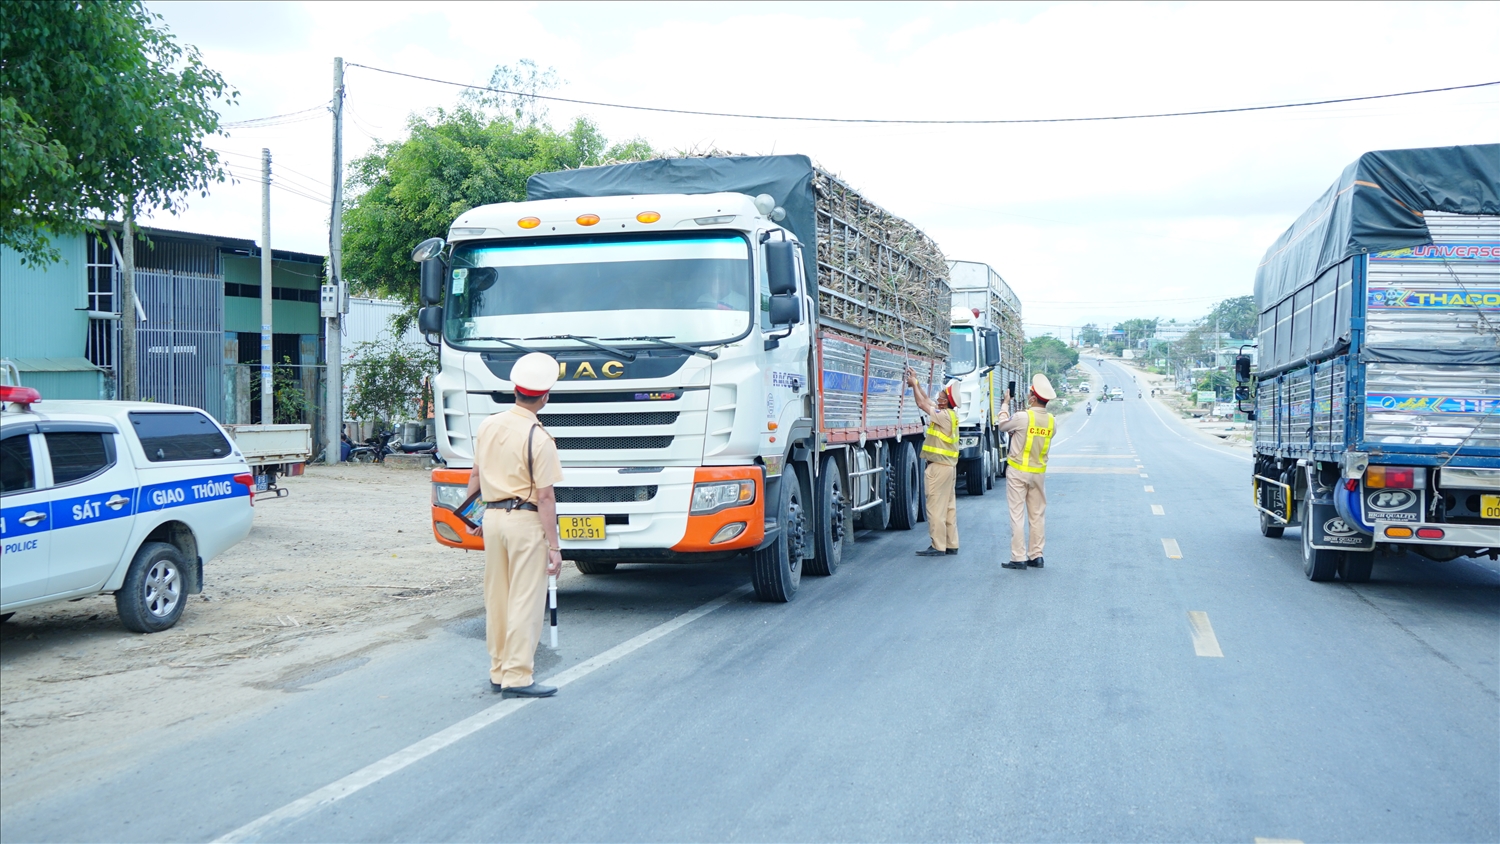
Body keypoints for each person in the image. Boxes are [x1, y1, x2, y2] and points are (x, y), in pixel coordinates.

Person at [463, 352, 566, 698]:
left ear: (515, 391)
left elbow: (476, 476)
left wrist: (474, 517)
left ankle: (498, 670)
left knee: (497, 597)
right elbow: (546, 497)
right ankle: (518, 676)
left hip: (492, 519)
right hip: (524, 521)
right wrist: (554, 547)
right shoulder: (540, 438)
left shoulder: (488, 426)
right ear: (545, 397)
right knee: (525, 599)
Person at [997, 374, 1057, 570]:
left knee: (1017, 514)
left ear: (1032, 397)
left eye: (1030, 392)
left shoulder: (1023, 417)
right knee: (1037, 515)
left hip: (1018, 472)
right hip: (1038, 474)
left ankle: (1018, 557)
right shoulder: (1052, 421)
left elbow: (1002, 425)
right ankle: (1036, 556)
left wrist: (1005, 404)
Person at [905, 367, 961, 557]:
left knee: (935, 507)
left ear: (946, 402)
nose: (938, 398)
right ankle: (951, 543)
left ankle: (938, 546)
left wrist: (914, 386)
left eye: (941, 397)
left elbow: (922, 404)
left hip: (938, 468)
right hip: (948, 468)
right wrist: (917, 383)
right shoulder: (949, 415)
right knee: (949, 507)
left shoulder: (943, 416)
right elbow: (927, 401)